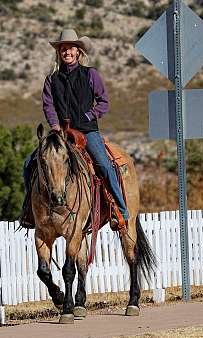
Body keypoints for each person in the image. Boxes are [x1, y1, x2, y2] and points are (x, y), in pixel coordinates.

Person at [21, 29, 129, 228]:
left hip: (87, 132)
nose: (67, 52)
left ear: (78, 51)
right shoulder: (52, 79)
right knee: (29, 164)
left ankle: (120, 209)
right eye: (63, 48)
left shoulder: (91, 74)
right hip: (60, 134)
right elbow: (48, 105)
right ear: (59, 52)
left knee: (104, 165)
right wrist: (55, 126)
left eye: (71, 48)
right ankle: (29, 210)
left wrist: (88, 116)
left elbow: (103, 102)